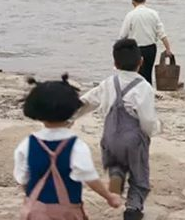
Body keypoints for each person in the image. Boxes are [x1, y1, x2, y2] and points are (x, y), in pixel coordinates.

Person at [14, 74, 121, 220]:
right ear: (72, 109)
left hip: (35, 210)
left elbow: (22, 178)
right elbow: (89, 177)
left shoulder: (27, 144)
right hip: (66, 211)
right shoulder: (76, 146)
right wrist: (109, 197)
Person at [77, 39, 159, 220]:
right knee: (139, 177)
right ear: (141, 62)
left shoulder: (108, 83)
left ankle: (116, 177)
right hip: (133, 139)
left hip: (110, 136)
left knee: (116, 164)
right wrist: (152, 131)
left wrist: (69, 117)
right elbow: (147, 118)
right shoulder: (144, 87)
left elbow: (87, 101)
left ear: (115, 63)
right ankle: (133, 208)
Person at [119, 0, 172, 85]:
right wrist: (168, 48)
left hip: (136, 49)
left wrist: (119, 52)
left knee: (137, 74)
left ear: (133, 2)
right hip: (151, 48)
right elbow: (162, 33)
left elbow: (123, 36)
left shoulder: (130, 15)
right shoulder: (153, 13)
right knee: (148, 73)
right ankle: (149, 92)